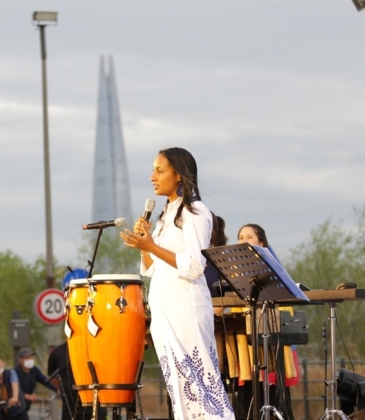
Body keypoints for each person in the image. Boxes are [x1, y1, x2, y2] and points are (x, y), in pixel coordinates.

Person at [120, 147, 234, 420]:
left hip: (186, 310)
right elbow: (151, 268)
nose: (152, 176)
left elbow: (195, 265)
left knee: (202, 388)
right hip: (165, 311)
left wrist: (152, 246)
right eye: (153, 170)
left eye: (159, 170)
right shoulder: (164, 217)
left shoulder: (195, 212)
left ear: (179, 175)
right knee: (180, 390)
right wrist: (145, 246)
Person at [233, 223, 300, 420]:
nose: (244, 241)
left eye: (249, 237)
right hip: (247, 340)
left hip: (271, 337)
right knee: (247, 398)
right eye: (241, 237)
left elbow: (284, 301)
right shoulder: (235, 272)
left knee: (274, 392)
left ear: (261, 242)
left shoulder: (273, 268)